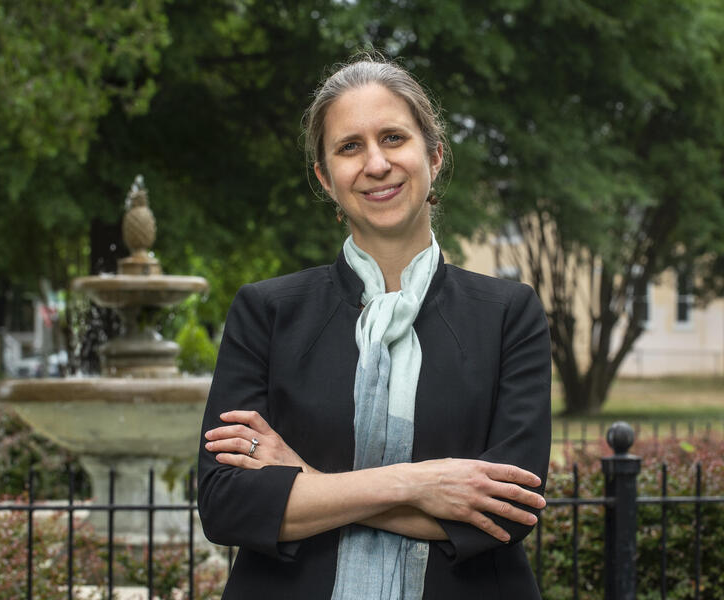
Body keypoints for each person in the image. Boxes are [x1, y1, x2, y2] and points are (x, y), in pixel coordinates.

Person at [197, 55, 552, 599]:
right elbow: (227, 506)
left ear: (433, 156)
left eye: (393, 138)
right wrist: (422, 484)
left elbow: (508, 512)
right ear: (325, 177)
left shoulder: (508, 314)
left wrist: (306, 484)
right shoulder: (265, 313)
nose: (376, 164)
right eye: (349, 147)